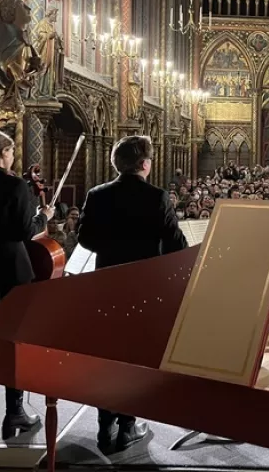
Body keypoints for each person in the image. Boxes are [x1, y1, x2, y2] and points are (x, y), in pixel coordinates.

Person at [78, 135, 188, 452]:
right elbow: (175, 244)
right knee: (135, 358)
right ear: (145, 164)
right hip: (143, 288)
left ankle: (104, 426)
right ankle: (127, 426)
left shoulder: (97, 194)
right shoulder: (156, 197)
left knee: (108, 355)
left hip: (107, 285)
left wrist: (113, 248)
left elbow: (85, 238)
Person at [0, 130, 55, 438]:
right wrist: (43, 216)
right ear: (4, 152)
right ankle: (15, 413)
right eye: (10, 152)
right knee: (15, 341)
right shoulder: (15, 185)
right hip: (13, 268)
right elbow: (25, 231)